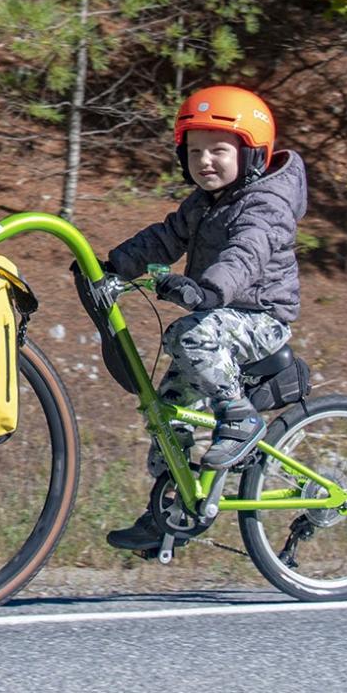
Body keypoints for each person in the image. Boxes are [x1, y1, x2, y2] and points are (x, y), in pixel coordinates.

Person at [102, 84, 307, 552]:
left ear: (252, 154)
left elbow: (246, 254)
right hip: (220, 317)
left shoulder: (265, 204)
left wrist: (207, 289)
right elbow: (165, 238)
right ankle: (172, 506)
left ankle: (239, 418)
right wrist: (113, 266)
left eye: (219, 150)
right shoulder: (202, 203)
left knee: (186, 333)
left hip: (259, 317)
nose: (205, 162)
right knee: (165, 408)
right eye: (194, 152)